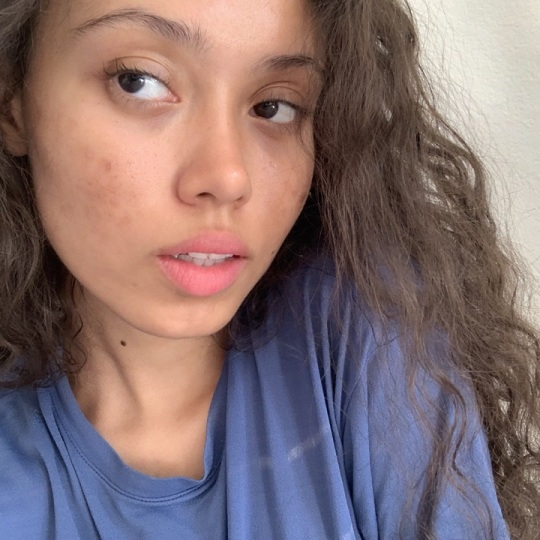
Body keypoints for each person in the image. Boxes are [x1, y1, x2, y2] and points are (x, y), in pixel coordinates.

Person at [0, 0, 538, 538]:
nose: (228, 177)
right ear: (12, 102)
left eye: (274, 107)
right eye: (138, 81)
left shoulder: (371, 320)